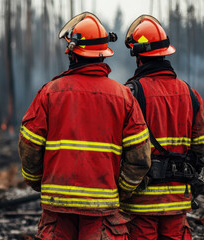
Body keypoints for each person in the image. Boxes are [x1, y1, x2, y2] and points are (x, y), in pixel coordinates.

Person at [18, 12, 151, 239]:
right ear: (103, 54)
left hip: (57, 210)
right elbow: (140, 157)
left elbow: (28, 146)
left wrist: (40, 183)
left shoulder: (50, 93)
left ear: (72, 52)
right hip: (102, 213)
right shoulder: (123, 97)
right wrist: (120, 191)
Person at [121, 15, 204, 240]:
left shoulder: (131, 95)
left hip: (140, 202)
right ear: (166, 53)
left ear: (138, 57)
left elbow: (121, 149)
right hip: (178, 202)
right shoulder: (191, 94)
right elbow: (201, 149)